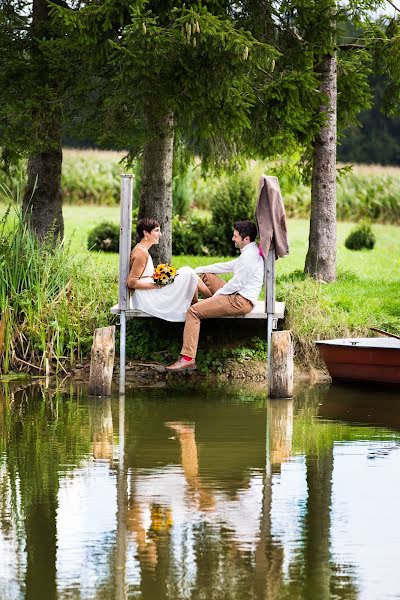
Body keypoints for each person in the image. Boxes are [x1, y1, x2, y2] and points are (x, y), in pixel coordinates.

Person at [166, 220, 264, 372]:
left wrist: (216, 297)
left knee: (193, 312)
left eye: (235, 236)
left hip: (240, 301)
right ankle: (204, 306)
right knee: (207, 276)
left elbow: (235, 284)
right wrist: (197, 269)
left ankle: (187, 359)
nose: (233, 238)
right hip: (235, 295)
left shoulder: (249, 257)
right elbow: (227, 266)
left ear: (246, 239)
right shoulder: (249, 252)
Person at [127, 218, 212, 322]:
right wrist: (157, 285)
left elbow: (143, 274)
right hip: (147, 297)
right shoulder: (141, 253)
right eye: (157, 230)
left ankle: (201, 303)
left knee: (188, 272)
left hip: (149, 292)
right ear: (145, 233)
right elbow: (131, 282)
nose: (160, 234)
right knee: (189, 272)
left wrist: (163, 275)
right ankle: (210, 302)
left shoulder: (142, 250)